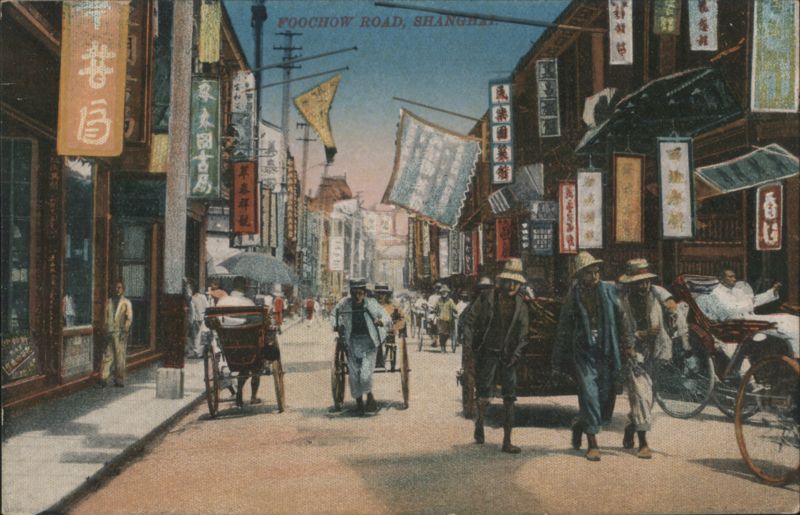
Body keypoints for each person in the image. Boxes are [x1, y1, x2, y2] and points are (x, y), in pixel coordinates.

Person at [552, 252, 628, 461]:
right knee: (589, 395)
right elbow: (564, 329)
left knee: (604, 399)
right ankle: (592, 443)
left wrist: (626, 347)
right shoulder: (574, 296)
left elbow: (622, 320)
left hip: (606, 350)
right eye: (589, 273)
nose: (594, 276)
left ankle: (579, 423)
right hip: (584, 352)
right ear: (580, 276)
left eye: (596, 272)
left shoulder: (609, 291)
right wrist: (557, 362)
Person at [462, 258, 530, 454]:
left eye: (516, 282)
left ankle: (507, 441)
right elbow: (469, 321)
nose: (512, 285)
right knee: (483, 396)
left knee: (509, 399)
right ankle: (480, 422)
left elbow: (524, 334)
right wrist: (468, 347)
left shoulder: (521, 305)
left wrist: (516, 354)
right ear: (501, 281)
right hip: (488, 353)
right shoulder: (487, 299)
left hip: (509, 357)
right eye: (508, 281)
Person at [617, 259, 671, 459]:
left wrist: (673, 313)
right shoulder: (622, 303)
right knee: (640, 395)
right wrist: (638, 337)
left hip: (653, 352)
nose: (644, 286)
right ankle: (643, 443)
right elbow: (622, 331)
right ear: (630, 283)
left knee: (649, 399)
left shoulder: (655, 295)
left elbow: (672, 303)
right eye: (639, 282)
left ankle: (632, 426)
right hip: (632, 353)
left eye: (646, 281)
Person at [332, 278, 387, 415]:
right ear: (351, 293)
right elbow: (334, 314)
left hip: (369, 342)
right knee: (354, 375)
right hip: (352, 342)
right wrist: (336, 324)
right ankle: (359, 403)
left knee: (365, 375)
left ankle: (369, 395)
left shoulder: (371, 304)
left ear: (364, 293)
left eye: (360, 293)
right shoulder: (344, 304)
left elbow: (385, 316)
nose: (357, 296)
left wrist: (381, 321)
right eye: (355, 293)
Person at [217, 276, 261, 407]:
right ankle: (253, 396)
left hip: (228, 343)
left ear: (232, 287)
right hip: (247, 344)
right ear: (245, 287)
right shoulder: (248, 302)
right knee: (257, 363)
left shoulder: (222, 302)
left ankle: (239, 392)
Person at [700, 268, 782, 322]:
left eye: (734, 276)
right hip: (735, 324)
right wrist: (749, 303)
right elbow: (728, 311)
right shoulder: (716, 293)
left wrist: (772, 292)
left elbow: (754, 301)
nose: (734, 279)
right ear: (721, 279)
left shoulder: (737, 291)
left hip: (747, 319)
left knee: (781, 319)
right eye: (730, 277)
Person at [98, 281, 133, 388]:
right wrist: (105, 327)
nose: (117, 289)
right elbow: (106, 316)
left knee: (120, 356)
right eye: (116, 287)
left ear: (123, 289)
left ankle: (119, 379)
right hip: (110, 331)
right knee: (108, 355)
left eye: (119, 287)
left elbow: (129, 317)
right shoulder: (109, 301)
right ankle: (104, 378)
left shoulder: (126, 302)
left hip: (120, 332)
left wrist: (125, 330)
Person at [187, 279, 210, 358]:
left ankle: (198, 352)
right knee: (199, 336)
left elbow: (194, 311)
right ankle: (199, 352)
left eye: (189, 288)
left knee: (198, 336)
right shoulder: (199, 297)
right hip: (200, 318)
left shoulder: (194, 298)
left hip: (198, 319)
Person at [436, 286, 457, 352]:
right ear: (441, 293)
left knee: (447, 334)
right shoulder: (439, 300)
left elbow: (455, 308)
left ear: (447, 293)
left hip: (448, 320)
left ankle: (443, 345)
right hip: (441, 320)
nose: (444, 293)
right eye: (442, 292)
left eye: (445, 292)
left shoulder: (450, 301)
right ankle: (442, 347)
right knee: (441, 334)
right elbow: (435, 308)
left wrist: (455, 311)